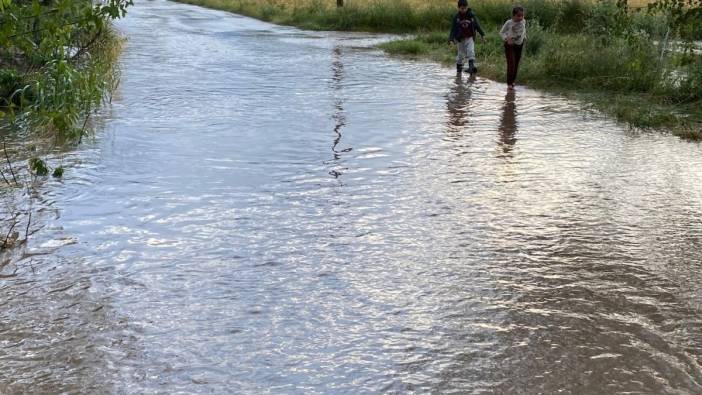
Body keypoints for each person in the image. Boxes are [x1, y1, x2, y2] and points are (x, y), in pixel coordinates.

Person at [449, 0, 486, 75]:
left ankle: (471, 67)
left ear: (467, 7)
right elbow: (453, 29)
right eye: (462, 8)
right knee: (460, 55)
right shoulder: (456, 17)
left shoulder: (471, 15)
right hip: (460, 39)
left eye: (465, 8)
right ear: (458, 8)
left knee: (471, 51)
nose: (463, 10)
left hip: (470, 37)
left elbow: (477, 25)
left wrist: (482, 35)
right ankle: (459, 70)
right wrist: (451, 39)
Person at [500, 6, 526, 90]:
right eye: (518, 16)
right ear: (513, 16)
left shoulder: (523, 22)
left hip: (519, 44)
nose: (520, 18)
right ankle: (509, 84)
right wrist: (506, 39)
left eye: (522, 15)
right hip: (509, 45)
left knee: (516, 64)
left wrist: (524, 37)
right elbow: (502, 32)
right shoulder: (509, 23)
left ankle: (513, 81)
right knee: (511, 63)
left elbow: (522, 32)